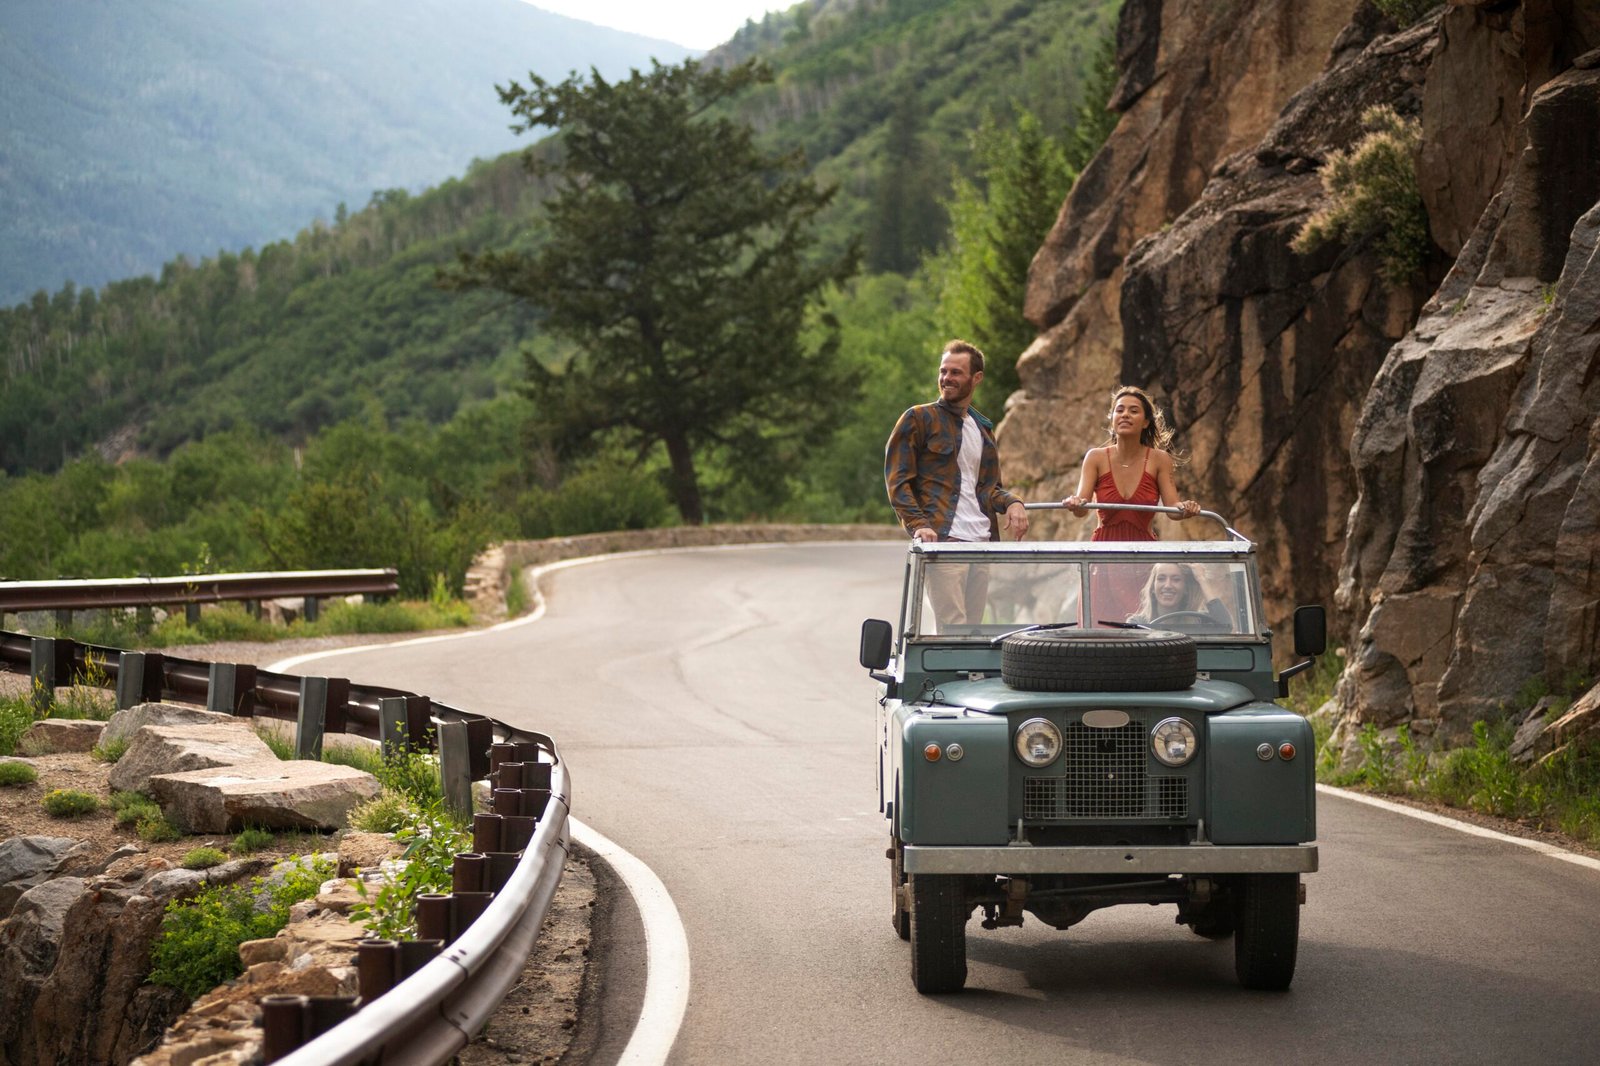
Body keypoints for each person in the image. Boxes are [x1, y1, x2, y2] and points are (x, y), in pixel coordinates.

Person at [885, 340, 1029, 627]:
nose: (946, 379)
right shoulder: (919, 418)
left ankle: (974, 676)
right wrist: (919, 524)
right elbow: (897, 480)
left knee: (973, 631)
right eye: (943, 371)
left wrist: (1013, 502)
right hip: (944, 542)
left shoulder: (983, 429)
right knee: (953, 628)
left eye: (956, 373)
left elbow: (988, 489)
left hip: (981, 542)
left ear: (976, 378)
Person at [1063, 385, 1201, 540]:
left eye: (1134, 411)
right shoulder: (1095, 457)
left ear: (1146, 422)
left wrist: (1186, 508)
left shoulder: (1160, 459)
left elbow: (1172, 509)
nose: (1125, 415)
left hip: (1144, 554)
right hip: (1103, 554)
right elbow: (1082, 509)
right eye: (1119, 410)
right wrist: (1075, 503)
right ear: (1113, 419)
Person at [1128, 562, 1208, 623]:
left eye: (1176, 579)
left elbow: (1221, 623)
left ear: (1186, 589)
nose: (1167, 586)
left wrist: (1202, 579)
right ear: (1152, 587)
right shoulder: (1137, 623)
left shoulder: (1200, 621)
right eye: (1161, 579)